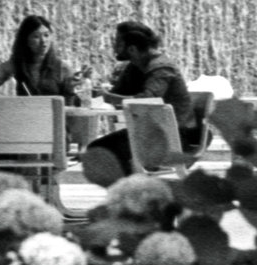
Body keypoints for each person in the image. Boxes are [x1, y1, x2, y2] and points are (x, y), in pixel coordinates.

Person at [78, 21, 203, 185]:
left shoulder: (162, 68)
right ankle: (134, 193)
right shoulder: (136, 67)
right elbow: (117, 93)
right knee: (97, 149)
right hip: (153, 131)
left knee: (101, 150)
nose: (114, 47)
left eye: (118, 42)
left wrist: (109, 97)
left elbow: (148, 100)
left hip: (176, 137)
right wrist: (87, 86)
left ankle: (134, 194)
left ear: (132, 48)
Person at [0, 15, 87, 102]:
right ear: (26, 40)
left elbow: (76, 102)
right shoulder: (16, 65)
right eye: (36, 36)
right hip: (26, 126)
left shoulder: (63, 67)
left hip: (56, 128)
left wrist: (76, 86)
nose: (43, 41)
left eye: (46, 35)